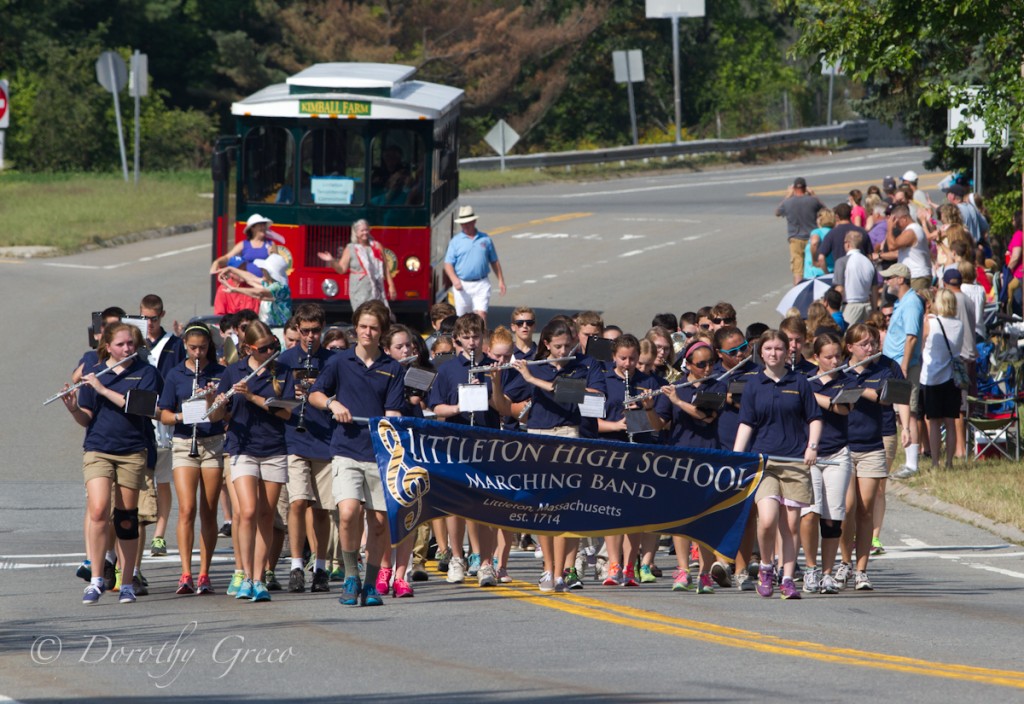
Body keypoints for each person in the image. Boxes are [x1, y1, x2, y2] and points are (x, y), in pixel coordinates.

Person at [307, 301, 405, 607]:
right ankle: (351, 576)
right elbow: (315, 394)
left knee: (378, 523)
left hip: (378, 454)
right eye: (363, 326)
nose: (367, 332)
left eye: (374, 328)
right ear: (356, 328)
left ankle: (371, 583)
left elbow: (393, 411)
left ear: (382, 333)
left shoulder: (393, 369)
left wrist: (389, 420)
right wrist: (333, 405)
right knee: (348, 512)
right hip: (346, 449)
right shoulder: (339, 362)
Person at [502, 319, 606, 592]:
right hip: (537, 435)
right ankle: (548, 568)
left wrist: (535, 381)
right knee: (542, 506)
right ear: (546, 345)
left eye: (567, 345)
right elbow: (507, 402)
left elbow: (593, 394)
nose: (563, 351)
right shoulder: (533, 366)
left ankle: (563, 570)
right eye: (557, 346)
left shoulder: (585, 364)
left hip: (569, 434)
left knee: (565, 505)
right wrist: (494, 377)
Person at [62, 323, 162, 605]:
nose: (127, 348)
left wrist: (103, 389)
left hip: (132, 450)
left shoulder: (145, 371)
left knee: (127, 517)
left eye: (131, 343)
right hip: (98, 448)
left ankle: (126, 581)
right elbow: (86, 418)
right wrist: (73, 408)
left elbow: (143, 408)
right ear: (107, 346)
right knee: (97, 510)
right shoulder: (94, 373)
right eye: (120, 344)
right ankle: (95, 579)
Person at [733, 330, 822, 600]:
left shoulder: (800, 382)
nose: (774, 353)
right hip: (765, 462)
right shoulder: (753, 385)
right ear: (761, 353)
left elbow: (814, 418)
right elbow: (746, 423)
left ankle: (787, 577)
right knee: (768, 519)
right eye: (769, 348)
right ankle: (765, 567)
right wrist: (737, 456)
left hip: (795, 461)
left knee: (791, 524)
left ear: (788, 352)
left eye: (779, 348)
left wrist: (812, 447)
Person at [209, 321, 294, 603]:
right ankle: (244, 575)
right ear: (248, 348)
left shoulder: (281, 371)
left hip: (274, 448)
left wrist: (252, 396)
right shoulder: (233, 371)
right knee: (247, 511)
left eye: (274, 345)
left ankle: (259, 579)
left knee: (267, 515)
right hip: (242, 447)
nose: (271, 350)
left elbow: (285, 414)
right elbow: (215, 418)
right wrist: (218, 401)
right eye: (265, 348)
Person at [427, 313, 503, 588]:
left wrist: (492, 384)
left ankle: (485, 563)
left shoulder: (492, 366)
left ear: (483, 337)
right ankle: (457, 557)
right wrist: (460, 406)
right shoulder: (447, 370)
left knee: (485, 506)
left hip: (486, 443)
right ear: (458, 339)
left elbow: (504, 407)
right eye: (467, 337)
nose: (472, 343)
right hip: (456, 442)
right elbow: (436, 408)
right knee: (456, 505)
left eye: (477, 337)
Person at [156, 322, 225, 595]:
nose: (198, 353)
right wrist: (182, 416)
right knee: (187, 509)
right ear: (185, 345)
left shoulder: (220, 373)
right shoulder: (175, 374)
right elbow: (163, 413)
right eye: (193, 348)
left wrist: (209, 401)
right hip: (185, 443)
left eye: (203, 348)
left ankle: (205, 573)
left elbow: (221, 417)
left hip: (212, 443)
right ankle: (185, 572)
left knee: (209, 510)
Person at [279, 303, 335, 595]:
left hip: (325, 439)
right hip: (296, 439)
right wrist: (293, 395)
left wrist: (322, 393)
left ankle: (321, 566)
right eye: (305, 331)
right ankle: (296, 565)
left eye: (315, 331)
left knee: (322, 508)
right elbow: (275, 400)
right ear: (297, 330)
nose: (310, 337)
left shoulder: (334, 360)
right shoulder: (286, 360)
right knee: (298, 501)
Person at [837, 324, 898, 591]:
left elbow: (891, 397)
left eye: (873, 343)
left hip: (873, 446)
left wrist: (860, 390)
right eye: (864, 344)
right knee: (846, 508)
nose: (871, 348)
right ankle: (844, 562)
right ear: (850, 347)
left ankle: (862, 570)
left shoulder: (884, 369)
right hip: (843, 446)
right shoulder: (837, 370)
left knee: (865, 509)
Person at [660, 340, 723, 594]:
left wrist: (677, 401)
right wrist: (650, 407)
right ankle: (683, 569)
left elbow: (705, 416)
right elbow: (659, 425)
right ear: (688, 364)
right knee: (680, 517)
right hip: (680, 457)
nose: (708, 368)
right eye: (701, 364)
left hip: (707, 456)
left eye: (711, 363)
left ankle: (705, 572)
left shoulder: (717, 386)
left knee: (705, 518)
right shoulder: (677, 386)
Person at [802, 333, 854, 594]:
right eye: (828, 357)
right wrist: (805, 389)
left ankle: (827, 574)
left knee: (833, 517)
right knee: (810, 513)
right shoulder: (804, 380)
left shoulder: (848, 380)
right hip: (809, 455)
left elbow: (843, 408)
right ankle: (810, 569)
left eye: (838, 356)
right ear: (815, 358)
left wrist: (808, 394)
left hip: (837, 454)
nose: (835, 361)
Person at [139, 294, 185, 567]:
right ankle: (144, 530)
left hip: (164, 417)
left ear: (162, 315)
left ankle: (159, 534)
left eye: (154, 319)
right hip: (141, 415)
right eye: (144, 318)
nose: (150, 324)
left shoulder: (174, 345)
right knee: (144, 479)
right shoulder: (133, 342)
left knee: (163, 480)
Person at [880, 264, 924, 479]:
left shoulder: (912, 303)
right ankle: (908, 460)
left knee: (910, 411)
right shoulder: (901, 302)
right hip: (896, 364)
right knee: (902, 413)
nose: (887, 282)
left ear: (900, 279)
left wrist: (904, 366)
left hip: (904, 365)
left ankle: (912, 464)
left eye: (890, 278)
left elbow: (912, 337)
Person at [920, 289, 964, 469]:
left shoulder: (931, 322)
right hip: (951, 378)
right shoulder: (959, 324)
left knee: (934, 422)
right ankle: (949, 462)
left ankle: (935, 462)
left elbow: (922, 345)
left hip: (931, 378)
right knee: (950, 422)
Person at [317, 219, 396, 313]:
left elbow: (385, 267)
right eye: (362, 230)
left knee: (377, 313)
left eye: (367, 230)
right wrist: (332, 260)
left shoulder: (377, 246)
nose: (365, 233)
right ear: (356, 233)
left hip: (376, 287)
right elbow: (342, 270)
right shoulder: (350, 248)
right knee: (361, 313)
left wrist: (391, 286)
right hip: (359, 289)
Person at [443, 205, 507, 322]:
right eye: (463, 223)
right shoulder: (456, 241)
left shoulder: (485, 239)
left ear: (474, 221)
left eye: (468, 222)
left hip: (481, 282)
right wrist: (454, 280)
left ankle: (482, 337)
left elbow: (494, 260)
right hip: (462, 284)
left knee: (481, 314)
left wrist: (501, 280)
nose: (466, 225)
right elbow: (448, 263)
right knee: (463, 318)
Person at [210, 214, 282, 315]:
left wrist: (272, 253)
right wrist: (216, 262)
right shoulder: (244, 244)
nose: (263, 227)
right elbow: (228, 257)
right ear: (252, 228)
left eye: (264, 225)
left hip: (261, 283)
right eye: (260, 225)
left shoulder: (270, 244)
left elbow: (276, 264)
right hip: (246, 282)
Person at [218, 253, 293, 328]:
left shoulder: (279, 287)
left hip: (279, 329)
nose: (261, 270)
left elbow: (259, 293)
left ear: (270, 272)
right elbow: (251, 278)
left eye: (264, 269)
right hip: (269, 328)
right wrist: (231, 269)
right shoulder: (268, 283)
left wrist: (235, 289)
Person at [776, 177, 824, 285]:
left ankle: (798, 295)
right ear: (805, 188)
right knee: (814, 268)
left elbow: (777, 212)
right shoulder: (812, 201)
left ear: (793, 188)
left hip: (795, 238)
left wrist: (787, 195)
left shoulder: (788, 202)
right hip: (812, 238)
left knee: (797, 271)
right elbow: (826, 211)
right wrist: (813, 195)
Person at [884, 205, 932, 292]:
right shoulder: (913, 229)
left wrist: (889, 228)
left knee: (914, 303)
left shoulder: (912, 231)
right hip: (915, 275)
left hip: (917, 276)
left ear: (904, 218)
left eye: (896, 221)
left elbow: (892, 246)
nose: (895, 225)